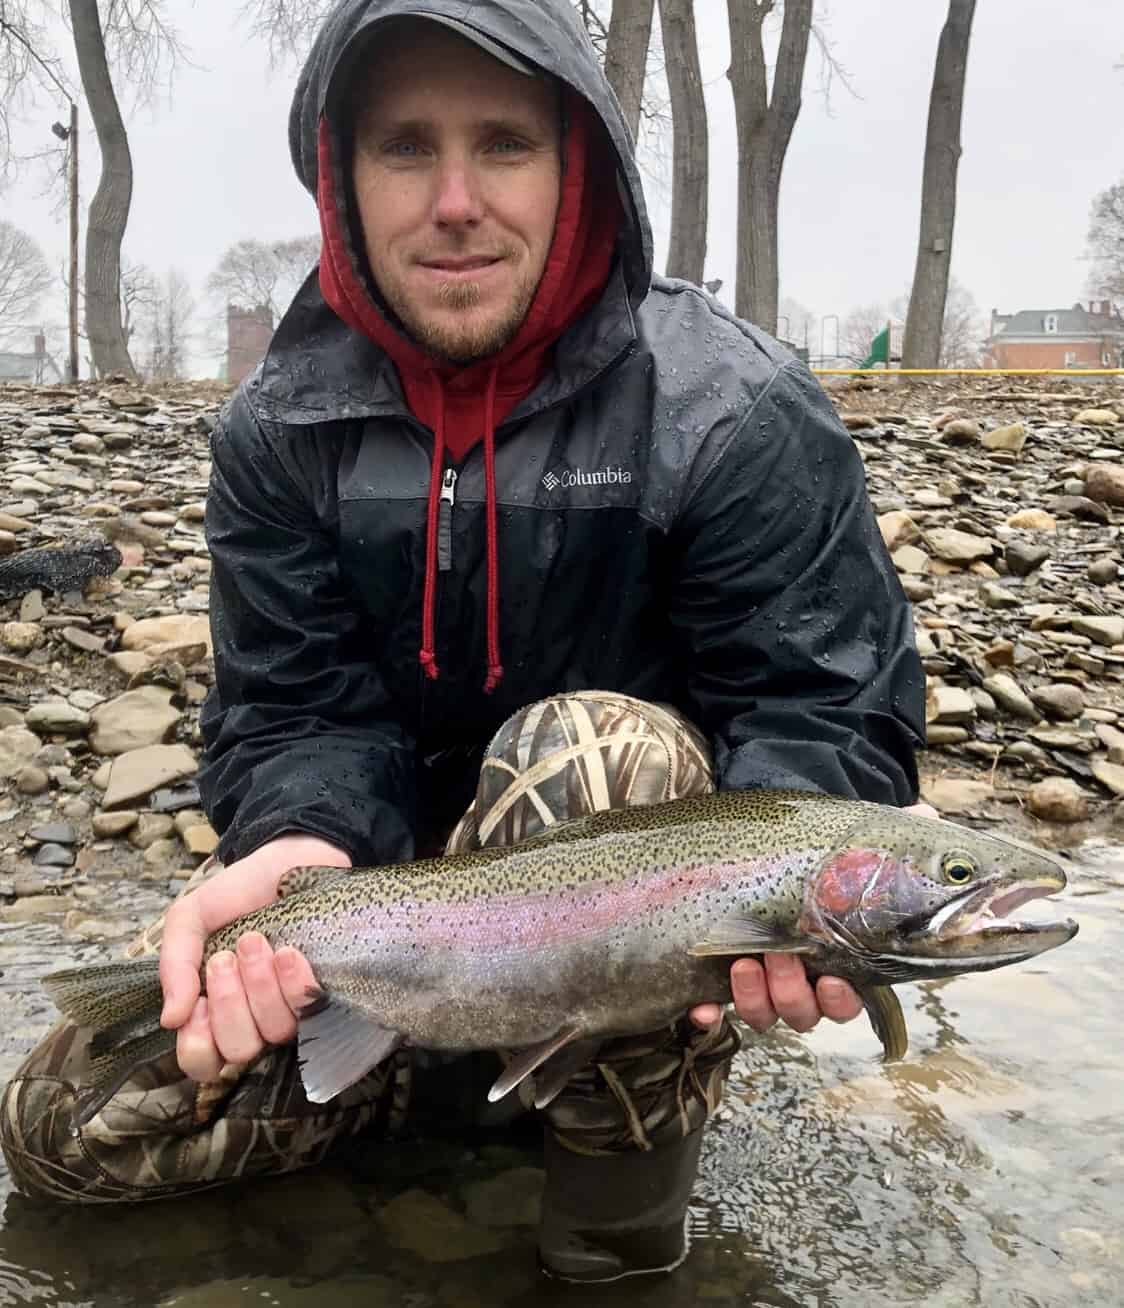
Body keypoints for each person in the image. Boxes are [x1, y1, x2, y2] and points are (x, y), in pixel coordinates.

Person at [0, 0, 930, 1283]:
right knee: (65, 1135)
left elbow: (821, 713)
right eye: (402, 148)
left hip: (620, 959)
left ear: (576, 167)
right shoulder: (278, 432)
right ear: (341, 176)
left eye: (501, 143)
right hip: (387, 936)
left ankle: (612, 1231)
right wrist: (294, 843)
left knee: (594, 749)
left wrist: (806, 907)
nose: (452, 200)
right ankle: (413, 1113)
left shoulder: (732, 410)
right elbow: (293, 711)